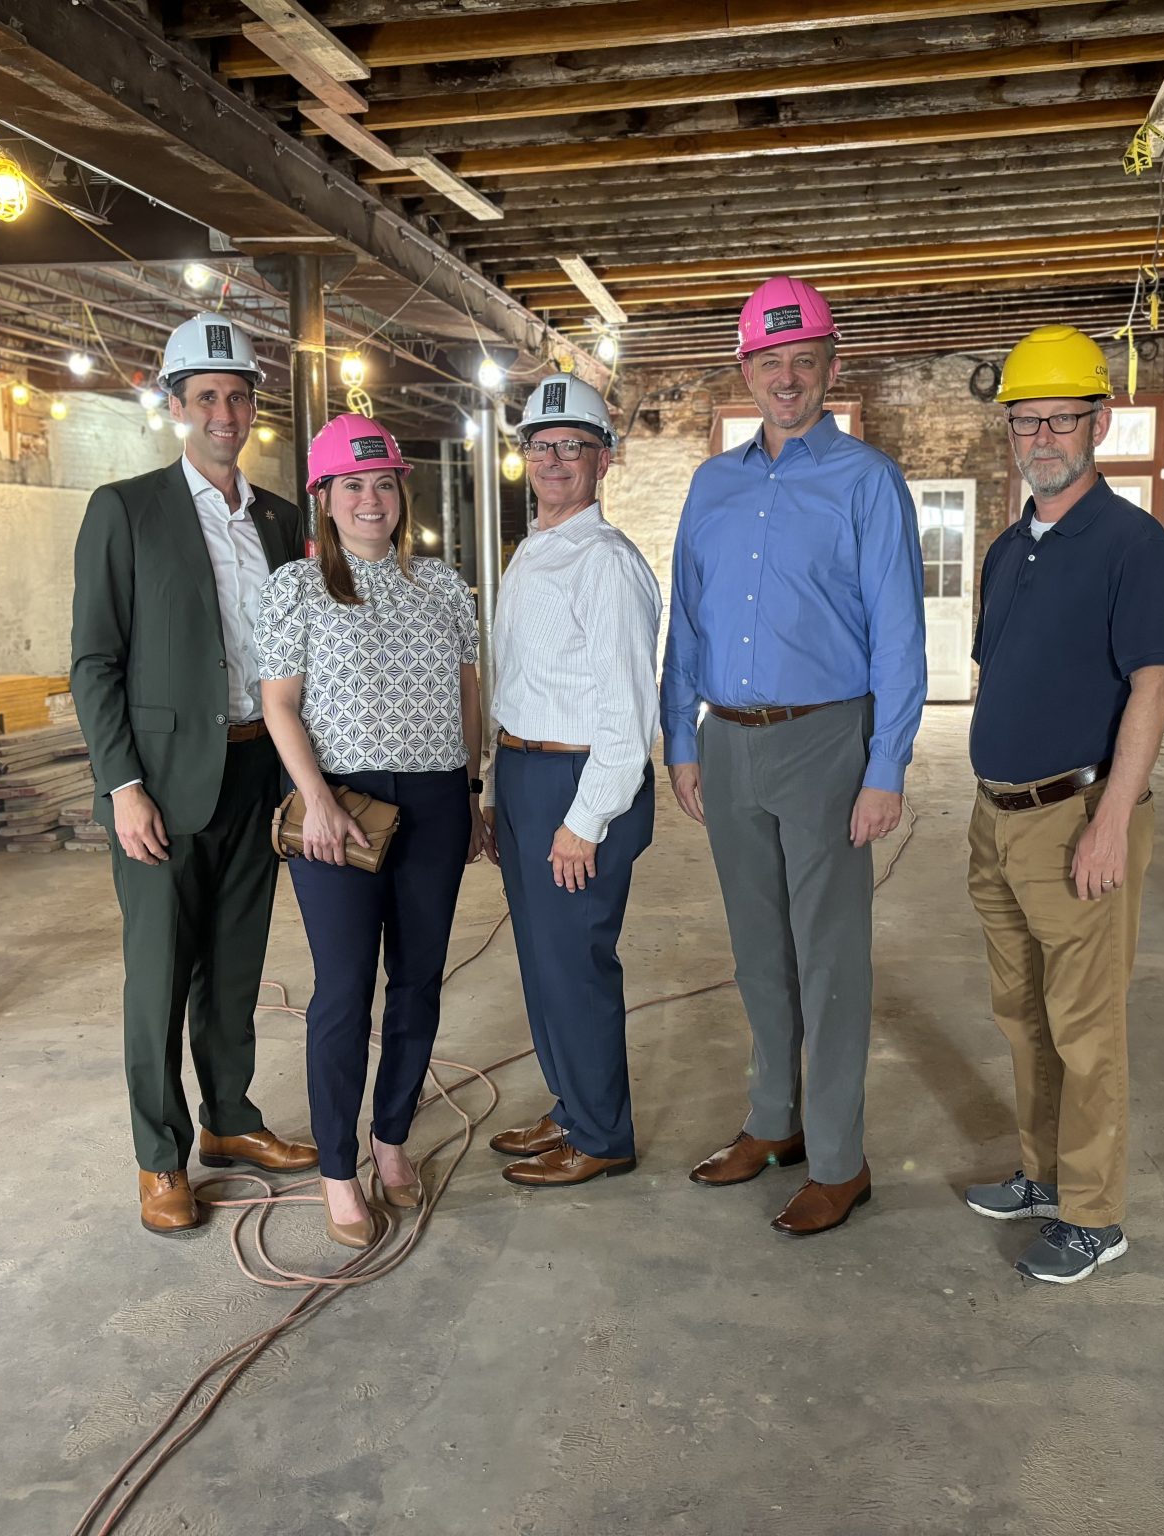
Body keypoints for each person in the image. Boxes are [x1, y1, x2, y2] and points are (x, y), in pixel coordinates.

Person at [660, 276, 926, 1238]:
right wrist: (678, 736)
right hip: (726, 742)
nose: (786, 378)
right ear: (746, 371)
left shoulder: (866, 482)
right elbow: (686, 616)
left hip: (825, 739)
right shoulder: (712, 485)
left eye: (802, 360)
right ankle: (774, 1124)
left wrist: (886, 763)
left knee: (831, 960)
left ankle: (841, 1160)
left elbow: (900, 632)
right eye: (768, 362)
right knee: (758, 951)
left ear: (829, 367)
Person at [72, 313, 319, 1239]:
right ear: (175, 406)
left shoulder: (283, 519)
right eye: (206, 396)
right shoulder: (126, 510)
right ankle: (159, 1157)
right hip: (164, 786)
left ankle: (230, 1120)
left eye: (238, 396)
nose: (225, 411)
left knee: (237, 964)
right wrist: (121, 785)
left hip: (260, 770)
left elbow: (305, 649)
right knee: (159, 975)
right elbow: (95, 661)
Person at [961, 325, 1164, 1284]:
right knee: (1023, 1014)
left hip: (1077, 819)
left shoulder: (1135, 547)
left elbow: (1153, 687)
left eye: (1059, 418)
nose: (1041, 437)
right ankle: (1044, 1172)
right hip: (997, 817)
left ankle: (1096, 1216)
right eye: (1025, 421)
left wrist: (1108, 821)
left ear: (1098, 420)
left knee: (1087, 1024)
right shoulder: (1011, 549)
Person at [255, 413, 488, 1249]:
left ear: (401, 494)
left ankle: (392, 1139)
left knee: (419, 979)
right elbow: (279, 704)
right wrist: (312, 798)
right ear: (325, 496)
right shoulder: (298, 586)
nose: (370, 498)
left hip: (433, 801)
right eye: (352, 485)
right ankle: (338, 1170)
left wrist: (470, 789)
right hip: (340, 810)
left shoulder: (444, 587)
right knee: (344, 990)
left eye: (383, 483)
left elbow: (468, 693)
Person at [483, 374, 662, 1189]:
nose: (556, 460)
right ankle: (571, 1105)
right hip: (526, 772)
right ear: (524, 457)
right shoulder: (534, 554)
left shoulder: (606, 564)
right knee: (543, 962)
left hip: (579, 782)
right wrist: (496, 789)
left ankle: (602, 1134)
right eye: (542, 446)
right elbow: (517, 678)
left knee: (577, 964)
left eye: (574, 447)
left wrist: (583, 819)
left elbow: (629, 715)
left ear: (604, 459)